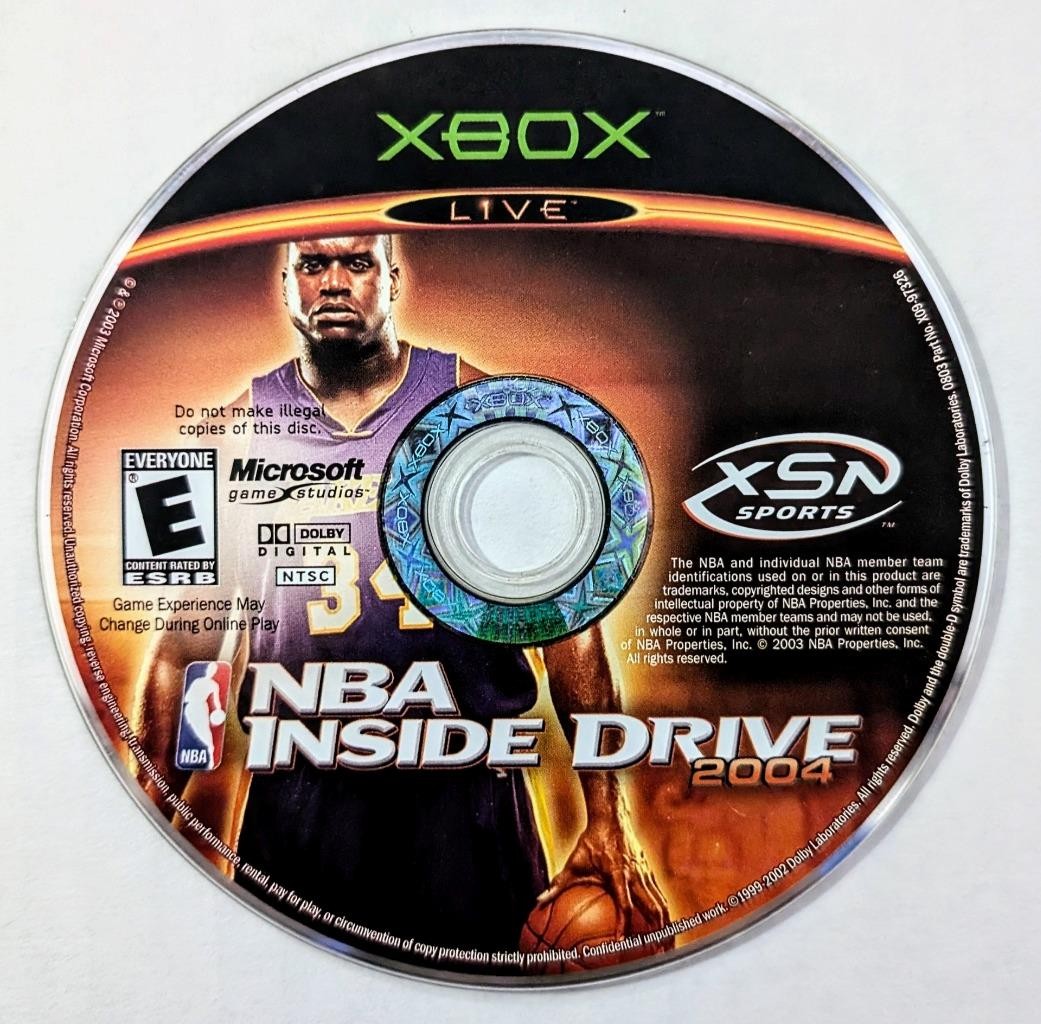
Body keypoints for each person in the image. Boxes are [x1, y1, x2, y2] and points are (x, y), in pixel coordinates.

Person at [133, 233, 668, 958]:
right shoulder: (229, 436)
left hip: (468, 790)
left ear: (392, 278)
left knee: (486, 1003)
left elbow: (566, 618)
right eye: (312, 265)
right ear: (286, 285)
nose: (334, 282)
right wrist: (151, 816)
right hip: (300, 799)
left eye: (357, 263)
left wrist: (607, 812)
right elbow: (185, 654)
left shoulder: (478, 406)